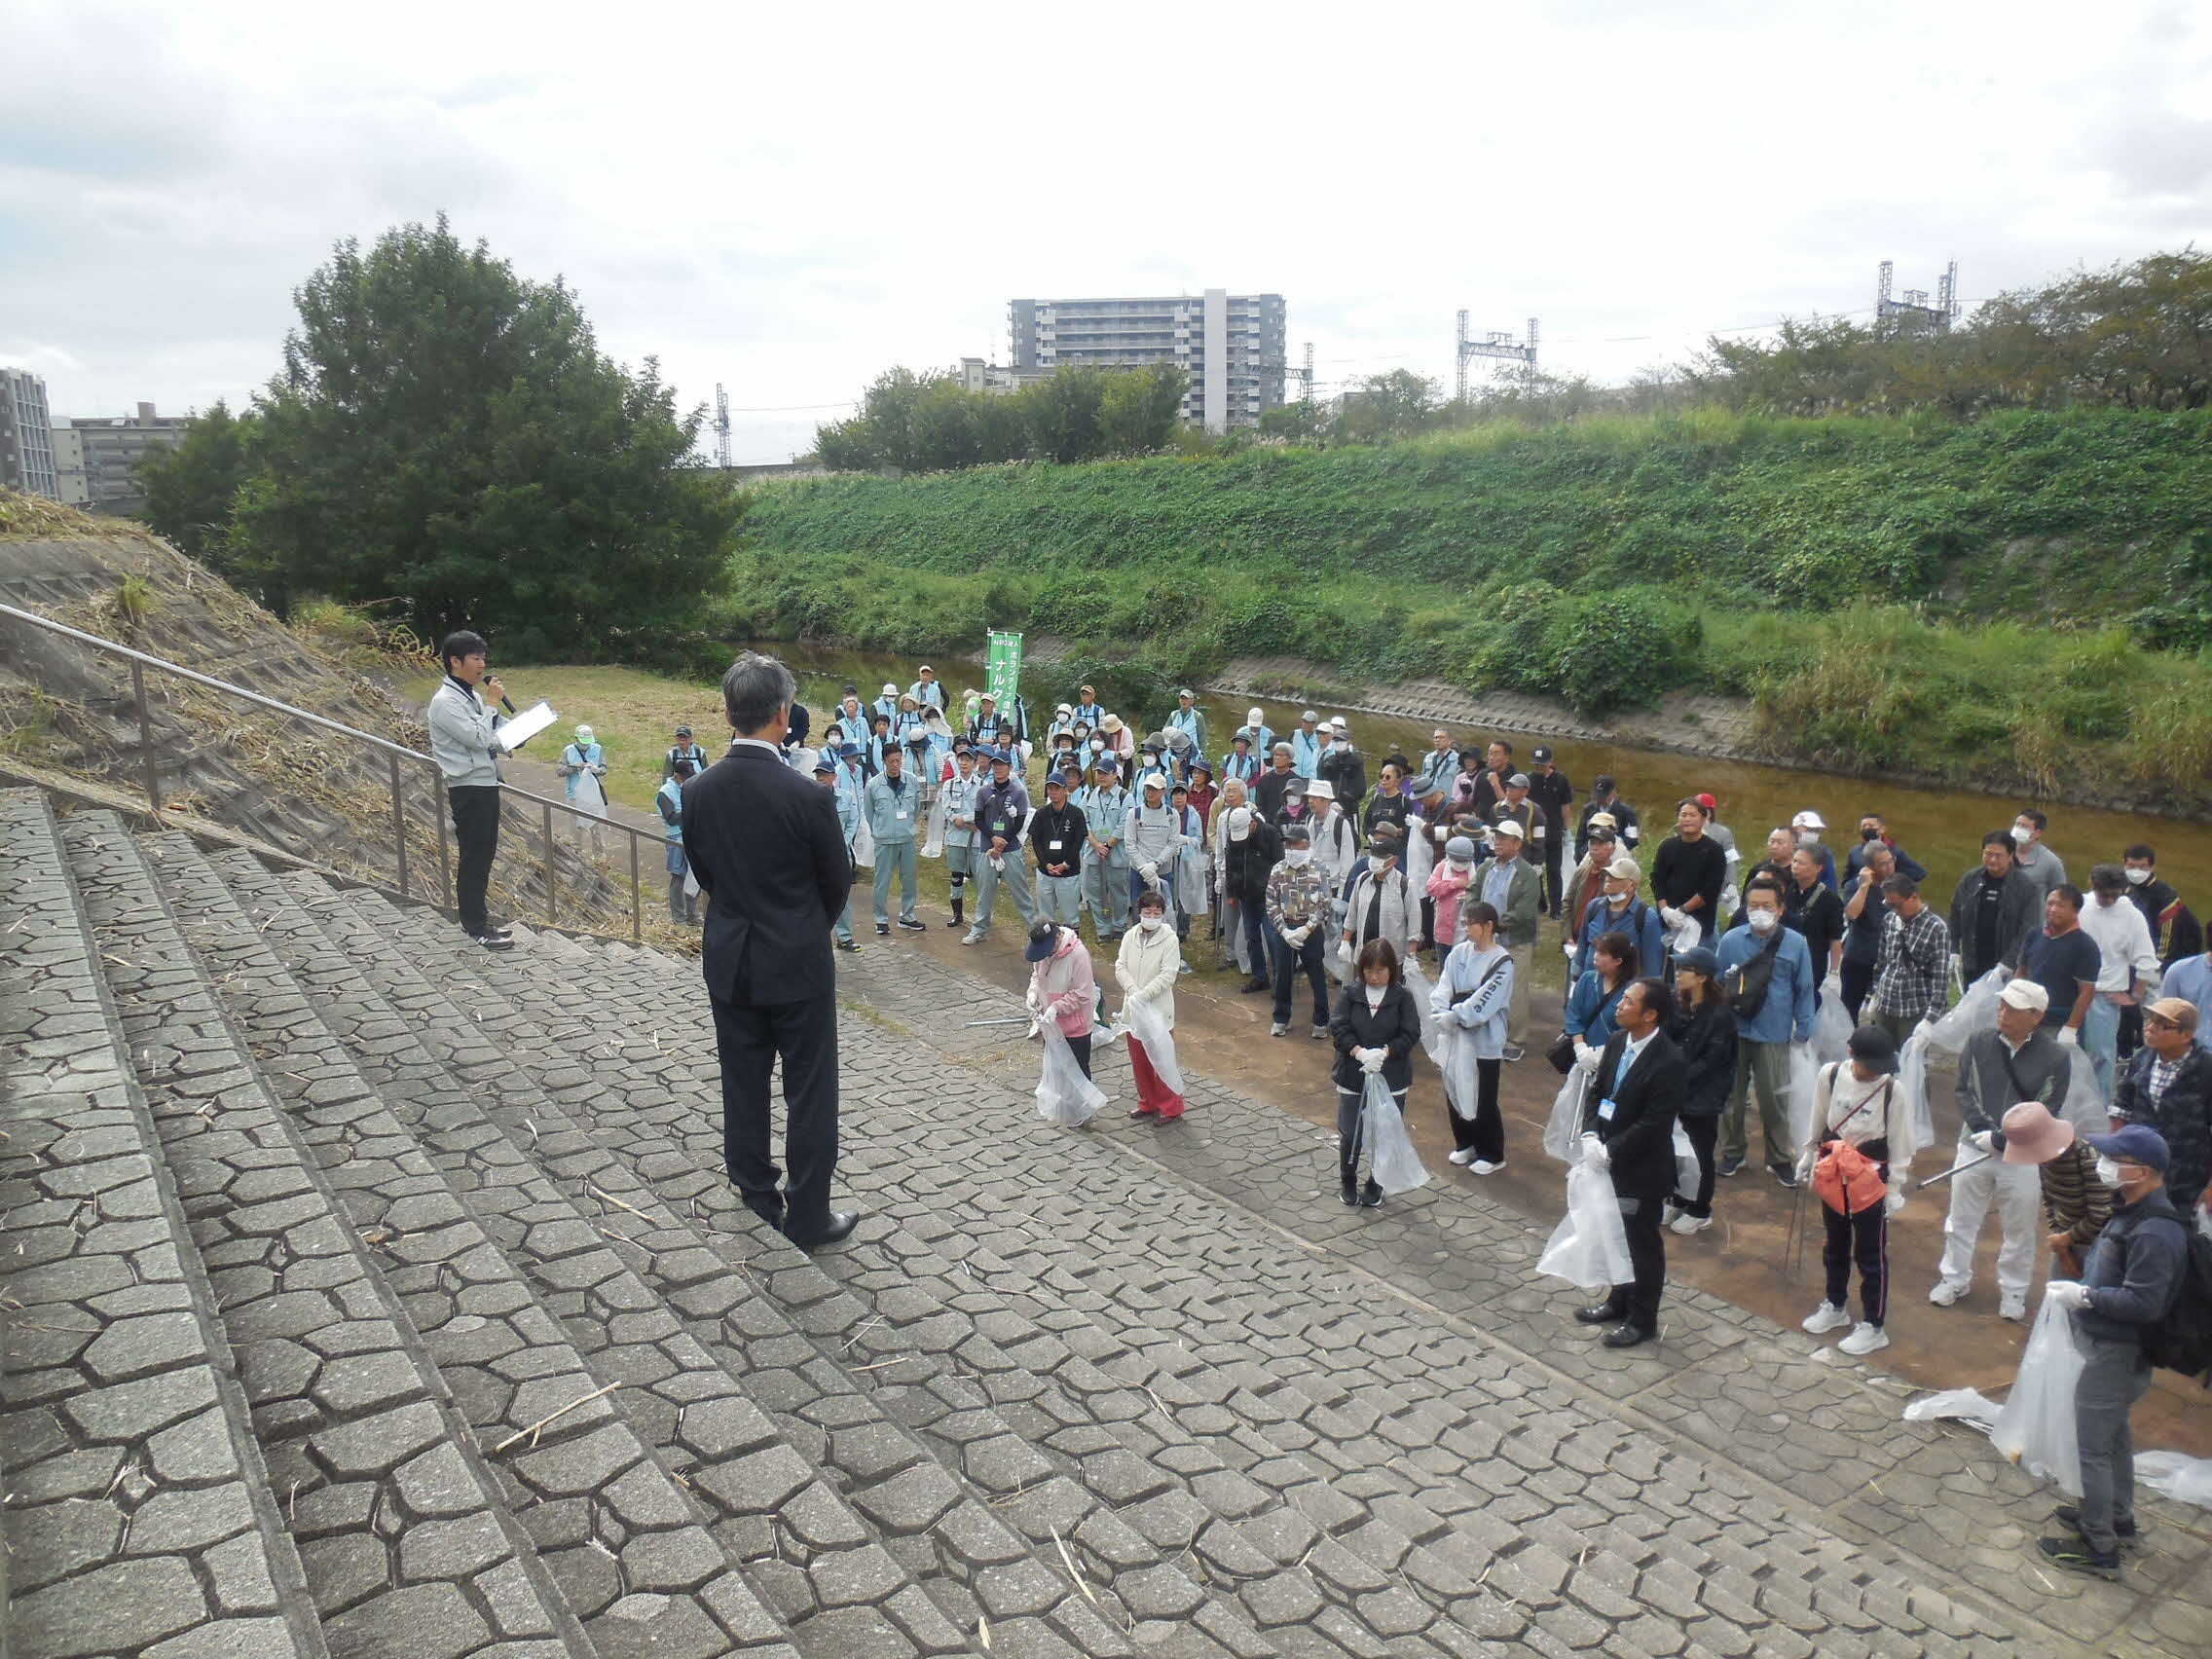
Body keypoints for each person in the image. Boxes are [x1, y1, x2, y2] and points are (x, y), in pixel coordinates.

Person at [682, 652, 855, 1248]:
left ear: (729, 712)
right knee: (809, 1088)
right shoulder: (807, 796)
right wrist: (804, 925)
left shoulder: (697, 790)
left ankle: (756, 1193)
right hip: (798, 959)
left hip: (731, 954)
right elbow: (837, 879)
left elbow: (705, 871)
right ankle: (808, 1214)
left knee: (742, 1079)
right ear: (784, 715)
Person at [2039, 1125, 2191, 1580]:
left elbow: (2145, 1303)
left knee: (2093, 1449)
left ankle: (2099, 1546)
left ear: (2141, 1171)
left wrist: (2085, 1298)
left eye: (2113, 1159)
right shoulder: (2131, 1209)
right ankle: (2118, 1519)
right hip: (2107, 1347)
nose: (2103, 1165)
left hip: (2115, 1352)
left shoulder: (2155, 1232)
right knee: (2114, 1437)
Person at [1931, 978, 2070, 1320]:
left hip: (2022, 1157)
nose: (2003, 1013)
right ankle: (1954, 1279)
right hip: (1973, 1146)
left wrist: (2007, 1140)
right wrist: (1984, 1131)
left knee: (2019, 1228)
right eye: (2002, 1005)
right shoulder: (1978, 1042)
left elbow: (2048, 1108)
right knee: (1961, 1220)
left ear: (2036, 1016)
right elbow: (1963, 1089)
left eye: (2013, 1009)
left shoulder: (2055, 1056)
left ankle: (2014, 1290)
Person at [1572, 977, 1685, 1348]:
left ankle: (1643, 1318)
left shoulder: (1669, 1061)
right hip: (1606, 1161)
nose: (1620, 1006)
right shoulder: (1619, 1041)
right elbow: (1599, 1091)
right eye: (1622, 999)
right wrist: (1590, 1133)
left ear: (1650, 1015)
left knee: (1641, 1245)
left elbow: (1654, 1123)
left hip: (1641, 1169)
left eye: (1629, 1002)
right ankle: (1618, 1301)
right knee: (1613, 1235)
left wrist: (1613, 1149)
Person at [1797, 1025, 1917, 1357]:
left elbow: (1901, 1143)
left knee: (1870, 1254)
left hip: (1869, 1178)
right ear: (1852, 1053)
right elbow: (1818, 1117)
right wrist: (1808, 1155)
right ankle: (1835, 1305)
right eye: (1871, 1065)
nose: (1877, 1072)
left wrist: (1894, 1188)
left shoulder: (1894, 1091)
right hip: (1834, 1172)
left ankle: (1873, 1325)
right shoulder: (1831, 1075)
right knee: (1834, 1244)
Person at [1715, 876, 1818, 1185]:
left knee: (1774, 1098)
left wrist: (1804, 1029)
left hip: (1773, 1032)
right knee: (1731, 1096)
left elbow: (1804, 989)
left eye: (1766, 906)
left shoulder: (1796, 944)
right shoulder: (1731, 941)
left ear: (1781, 909)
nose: (1759, 911)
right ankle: (1733, 1152)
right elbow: (1718, 984)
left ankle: (1779, 1158)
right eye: (1753, 905)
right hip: (1734, 1030)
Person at [425, 631, 513, 951]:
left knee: (484, 853)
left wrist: (517, 733)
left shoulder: (470, 696)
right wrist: (491, 705)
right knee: (474, 856)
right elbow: (477, 738)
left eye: (483, 658)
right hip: (468, 787)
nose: (482, 665)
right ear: (455, 662)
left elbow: (491, 733)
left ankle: (480, 920)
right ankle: (474, 926)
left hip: (486, 783)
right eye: (476, 658)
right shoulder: (444, 703)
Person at [1330, 939, 1423, 1208]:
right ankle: (1348, 1177)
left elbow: (1411, 1032)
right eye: (1369, 971)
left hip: (1390, 1075)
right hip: (1353, 1072)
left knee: (1384, 1131)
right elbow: (1339, 1026)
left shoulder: (1402, 996)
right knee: (1350, 1131)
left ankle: (1376, 1181)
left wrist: (1386, 1053)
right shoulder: (1351, 993)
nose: (1375, 976)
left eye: (1380, 971)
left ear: (1391, 970)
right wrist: (1358, 1052)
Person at [2112, 998, 2212, 1220]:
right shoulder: (2142, 1058)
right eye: (2150, 1020)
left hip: (2187, 1181)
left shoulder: (2206, 1069)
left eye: (2162, 1025)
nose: (2149, 1028)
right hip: (2140, 1174)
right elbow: (2122, 1108)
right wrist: (2117, 1158)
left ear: (2186, 1036)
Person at [1433, 901, 1515, 1172]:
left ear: (1488, 926)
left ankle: (1492, 1153)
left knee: (1483, 1096)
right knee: (1455, 1088)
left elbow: (1486, 1001)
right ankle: (1465, 1142)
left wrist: (1457, 1015)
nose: (1466, 928)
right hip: (1456, 1038)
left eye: (1471, 923)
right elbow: (1445, 984)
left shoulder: (1502, 961)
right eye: (1464, 923)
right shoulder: (1459, 953)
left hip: (1484, 1041)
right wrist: (1440, 1008)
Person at [2000, 1100, 2112, 1282]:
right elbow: (2050, 1201)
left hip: (2094, 1241)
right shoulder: (2044, 1159)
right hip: (2064, 1239)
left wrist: (2067, 1238)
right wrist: (2062, 1248)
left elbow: (2101, 1213)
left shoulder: (2087, 1157)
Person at [1665, 947, 1735, 1235]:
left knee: (1700, 1153)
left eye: (1685, 970)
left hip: (1703, 1098)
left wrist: (1678, 1079)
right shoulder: (1680, 1005)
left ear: (1703, 977)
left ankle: (1700, 1208)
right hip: (1678, 1093)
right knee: (1677, 1150)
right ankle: (1680, 1197)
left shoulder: (1720, 1016)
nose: (1678, 974)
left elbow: (1710, 1061)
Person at [2079, 866, 2160, 1097]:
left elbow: (2146, 960)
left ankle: (2098, 1109)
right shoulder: (2081, 906)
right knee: (2067, 1052)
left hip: (2105, 996)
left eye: (2115, 895)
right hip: (2073, 991)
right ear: (2092, 885)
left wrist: (2134, 996)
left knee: (2101, 1057)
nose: (2110, 900)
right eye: (2104, 895)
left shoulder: (2131, 916)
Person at [1117, 889, 1186, 1120]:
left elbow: (1168, 975)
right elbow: (1121, 966)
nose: (1152, 916)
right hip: (1134, 1008)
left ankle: (1170, 1106)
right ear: (1139, 913)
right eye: (1148, 912)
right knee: (1140, 1060)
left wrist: (1144, 995)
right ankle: (1147, 1101)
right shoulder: (1130, 936)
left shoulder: (1170, 939)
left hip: (1158, 1009)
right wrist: (1134, 992)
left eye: (1157, 913)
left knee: (1162, 1060)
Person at [1266, 820, 1335, 1040]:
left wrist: (1307, 929)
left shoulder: (1319, 868)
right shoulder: (1278, 869)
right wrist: (1284, 931)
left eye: (1294, 845)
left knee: (1316, 975)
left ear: (1305, 844)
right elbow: (1270, 901)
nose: (1290, 849)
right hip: (1284, 928)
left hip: (1310, 930)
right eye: (1288, 845)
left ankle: (1322, 1020)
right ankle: (1280, 1018)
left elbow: (1325, 902)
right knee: (1283, 975)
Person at [1478, 819, 1541, 1060]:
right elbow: (1474, 890)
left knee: (1515, 990)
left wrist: (1494, 924)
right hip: (1486, 939)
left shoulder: (1527, 873)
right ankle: (1488, 1030)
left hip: (1516, 940)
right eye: (1496, 837)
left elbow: (1525, 911)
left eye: (1504, 838)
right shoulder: (1486, 867)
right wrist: (1476, 915)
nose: (1498, 842)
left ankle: (1515, 1040)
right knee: (1485, 985)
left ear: (1517, 843)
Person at [1864, 874, 1951, 1049]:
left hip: (1913, 1009)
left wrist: (1930, 1018)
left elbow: (1941, 977)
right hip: (1885, 1003)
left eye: (1897, 904)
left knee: (1910, 1064)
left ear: (1913, 896)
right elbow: (1881, 962)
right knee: (1878, 1059)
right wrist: (1873, 994)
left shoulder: (1936, 928)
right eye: (1889, 904)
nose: (1894, 909)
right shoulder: (1889, 920)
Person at [967, 749, 1039, 944]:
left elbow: (1020, 821)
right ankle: (979, 929)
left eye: (1002, 765)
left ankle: (1036, 931)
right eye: (995, 764)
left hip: (1010, 847)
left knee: (1020, 890)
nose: (998, 768)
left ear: (1009, 767)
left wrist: (1002, 841)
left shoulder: (1018, 792)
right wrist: (993, 839)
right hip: (987, 847)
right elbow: (979, 819)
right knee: (984, 891)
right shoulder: (984, 791)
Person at [1950, 830, 2040, 985]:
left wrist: (2009, 962)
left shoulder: (2026, 887)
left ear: (2010, 855)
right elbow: (1954, 918)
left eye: (1998, 855)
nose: (1992, 859)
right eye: (1988, 854)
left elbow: (2028, 930)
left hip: (2006, 967)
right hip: (1973, 963)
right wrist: (1953, 950)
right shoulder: (1970, 880)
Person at [2020, 886, 2101, 1051]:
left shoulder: (2085, 946)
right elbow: (2021, 972)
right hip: (2027, 1018)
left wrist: (2071, 1028)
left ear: (2075, 911)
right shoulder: (2034, 935)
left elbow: (2086, 991)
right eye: (2050, 904)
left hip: (2057, 1023)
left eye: (2061, 905)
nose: (2053, 909)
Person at [1571, 857, 1664, 992]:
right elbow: (1582, 947)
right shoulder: (1593, 907)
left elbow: (1652, 965)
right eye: (1608, 875)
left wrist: (1647, 996)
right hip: (1589, 987)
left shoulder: (1646, 917)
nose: (1608, 880)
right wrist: (1575, 979)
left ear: (1631, 885)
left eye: (1616, 878)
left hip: (1622, 994)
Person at [860, 745, 923, 936]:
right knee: (882, 881)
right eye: (891, 762)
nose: (895, 765)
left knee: (909, 879)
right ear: (884, 762)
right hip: (885, 839)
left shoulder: (911, 780)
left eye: (898, 760)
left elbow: (917, 807)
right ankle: (880, 919)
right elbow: (869, 812)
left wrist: (907, 826)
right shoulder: (873, 785)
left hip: (906, 837)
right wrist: (880, 830)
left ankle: (908, 916)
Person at [1025, 919, 1097, 1080]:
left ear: (1057, 937)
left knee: (1077, 1076)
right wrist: (1033, 994)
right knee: (1055, 1074)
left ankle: (1080, 1106)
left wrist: (1056, 1008)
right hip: (1050, 1027)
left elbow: (1082, 993)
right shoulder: (1043, 952)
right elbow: (1037, 975)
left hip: (1076, 1029)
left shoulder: (1078, 954)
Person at [1223, 803, 1283, 995]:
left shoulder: (1270, 834)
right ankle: (1260, 976)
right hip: (1245, 895)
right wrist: (1231, 892)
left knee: (1273, 938)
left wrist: (1277, 893)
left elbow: (1280, 864)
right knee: (1251, 937)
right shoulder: (1233, 837)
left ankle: (1280, 980)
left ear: (1252, 824)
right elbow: (1231, 865)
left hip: (1268, 897)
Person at [1341, 822, 1418, 971]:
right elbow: (1352, 915)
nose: (1375, 860)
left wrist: (1411, 956)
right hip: (1363, 953)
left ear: (1394, 860)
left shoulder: (1405, 885)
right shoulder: (1362, 879)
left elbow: (1414, 927)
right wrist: (1345, 941)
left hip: (1392, 958)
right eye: (1374, 855)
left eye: (1381, 856)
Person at [1653, 798, 1729, 946]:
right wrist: (1665, 910)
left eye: (1692, 815)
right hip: (1668, 919)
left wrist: (1682, 911)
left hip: (1700, 922)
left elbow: (1711, 888)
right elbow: (1657, 879)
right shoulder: (1667, 847)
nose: (1687, 819)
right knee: (1667, 965)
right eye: (1683, 815)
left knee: (1696, 966)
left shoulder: (1714, 850)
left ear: (1703, 818)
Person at [1838, 842, 1897, 1022]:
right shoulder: (1853, 886)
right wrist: (1864, 886)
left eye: (1891, 861)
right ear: (1870, 867)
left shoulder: (1897, 885)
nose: (1889, 867)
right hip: (1859, 956)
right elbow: (1852, 914)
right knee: (1849, 1008)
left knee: (1883, 1011)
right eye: (1883, 864)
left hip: (1888, 959)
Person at [808, 756, 859, 951]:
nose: (821, 778)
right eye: (818, 774)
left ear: (833, 776)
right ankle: (817, 940)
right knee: (815, 897)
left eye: (824, 774)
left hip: (841, 854)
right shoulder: (809, 798)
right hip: (817, 856)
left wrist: (841, 844)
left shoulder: (846, 797)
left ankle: (844, 937)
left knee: (842, 895)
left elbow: (853, 822)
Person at [1567, 930, 1638, 1069]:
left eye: (1602, 953)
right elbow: (1573, 1013)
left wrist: (1600, 1055)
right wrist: (1580, 1049)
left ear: (1618, 961)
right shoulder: (1587, 979)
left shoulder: (1631, 992)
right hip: (1582, 1056)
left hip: (1613, 1063)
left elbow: (1630, 1031)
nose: (1595, 956)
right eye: (1596, 951)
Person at [1082, 757, 1133, 940]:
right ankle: (1102, 928)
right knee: (1095, 891)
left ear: (1114, 775)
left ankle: (1119, 925)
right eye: (1099, 773)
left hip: (1116, 853)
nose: (1101, 777)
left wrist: (1108, 845)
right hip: (1093, 852)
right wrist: (1096, 844)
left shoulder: (1125, 796)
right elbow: (1084, 821)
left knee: (1119, 891)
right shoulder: (1088, 796)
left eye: (1105, 773)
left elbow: (1124, 823)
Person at [1125, 775, 1188, 927]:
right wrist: (1144, 868)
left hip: (1163, 871)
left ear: (1163, 791)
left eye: (1154, 789)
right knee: (1139, 910)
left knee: (1162, 910)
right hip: (1139, 873)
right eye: (1148, 788)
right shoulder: (1134, 813)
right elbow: (1130, 844)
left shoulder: (1172, 815)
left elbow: (1173, 843)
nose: (1150, 792)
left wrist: (1155, 864)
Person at [1782, 844, 1847, 989]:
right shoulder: (1788, 890)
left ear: (1818, 868)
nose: (1795, 866)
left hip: (1812, 962)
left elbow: (1835, 938)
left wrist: (1834, 972)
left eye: (1801, 863)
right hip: (1784, 957)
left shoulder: (1830, 899)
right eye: (1794, 861)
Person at [1028, 771, 1088, 926]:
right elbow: (1036, 841)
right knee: (1046, 917)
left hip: (1068, 873)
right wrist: (1045, 864)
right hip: (1045, 872)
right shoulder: (1041, 813)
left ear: (1064, 790)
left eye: (1056, 788)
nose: (1053, 792)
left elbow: (1078, 841)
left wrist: (1065, 864)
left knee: (1070, 918)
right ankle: (1049, 947)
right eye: (1050, 789)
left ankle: (1071, 948)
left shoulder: (1076, 813)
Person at [1528, 746, 1573, 917]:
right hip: (1535, 834)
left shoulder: (1561, 780)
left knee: (1554, 871)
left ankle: (1556, 909)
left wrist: (1567, 830)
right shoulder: (1529, 779)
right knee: (1535, 870)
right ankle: (1541, 904)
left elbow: (1565, 807)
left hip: (1554, 832)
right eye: (1536, 764)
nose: (1538, 768)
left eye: (1542, 764)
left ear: (1551, 762)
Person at [657, 756, 701, 926]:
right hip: (676, 837)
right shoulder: (665, 792)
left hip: (691, 835)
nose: (687, 779)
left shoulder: (690, 788)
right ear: (676, 775)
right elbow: (671, 818)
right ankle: (679, 917)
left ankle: (693, 913)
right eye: (684, 776)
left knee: (694, 875)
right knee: (678, 876)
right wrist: (691, 810)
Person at [556, 722, 610, 853]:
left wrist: (596, 770)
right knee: (576, 830)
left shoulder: (597, 749)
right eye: (583, 742)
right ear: (576, 739)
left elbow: (604, 769)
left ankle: (599, 858)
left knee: (596, 829)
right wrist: (573, 767)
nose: (586, 745)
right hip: (574, 795)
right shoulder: (568, 751)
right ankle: (577, 855)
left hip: (593, 796)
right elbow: (559, 771)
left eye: (588, 742)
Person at [1426, 834, 1476, 961]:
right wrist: (1454, 883)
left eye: (1464, 862)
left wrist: (1469, 892)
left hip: (1466, 932)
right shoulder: (1442, 867)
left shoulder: (1475, 872)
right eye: (1458, 861)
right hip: (1444, 930)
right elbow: (1431, 888)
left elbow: (1480, 893)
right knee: (1444, 968)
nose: (1461, 865)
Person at [1843, 812, 1925, 884]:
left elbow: (1918, 873)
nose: (1867, 828)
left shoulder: (1894, 851)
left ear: (1882, 829)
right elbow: (1847, 877)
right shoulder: (1854, 852)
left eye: (1871, 825)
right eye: (1864, 826)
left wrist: (1892, 878)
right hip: (1861, 894)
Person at [2010, 809, 2068, 907]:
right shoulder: (2002, 854)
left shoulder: (2052, 862)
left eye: (2024, 826)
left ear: (2037, 833)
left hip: (2033, 920)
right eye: (2017, 824)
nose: (2018, 829)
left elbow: (2060, 897)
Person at [1576, 776, 1639, 859]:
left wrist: (1613, 849)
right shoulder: (1588, 810)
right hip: (1589, 856)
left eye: (1603, 795)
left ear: (1613, 793)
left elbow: (1632, 839)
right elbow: (1580, 837)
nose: (1600, 798)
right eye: (1598, 795)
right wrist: (1581, 854)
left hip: (1615, 857)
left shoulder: (1626, 812)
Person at [1315, 718, 1365, 815]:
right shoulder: (1328, 761)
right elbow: (1321, 781)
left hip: (1349, 808)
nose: (1338, 743)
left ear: (1348, 742)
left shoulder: (1355, 761)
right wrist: (1330, 801)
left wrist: (1346, 799)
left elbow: (1361, 788)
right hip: (1328, 806)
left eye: (1342, 741)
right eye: (1336, 741)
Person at [1788, 811, 1839, 894]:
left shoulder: (1824, 852)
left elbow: (1830, 884)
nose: (1813, 833)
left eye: (1817, 831)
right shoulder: (1784, 849)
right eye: (1809, 829)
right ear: (1795, 829)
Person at [1254, 742, 1301, 823]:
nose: (1276, 758)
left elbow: (1298, 806)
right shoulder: (1263, 780)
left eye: (1281, 755)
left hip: (1289, 823)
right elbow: (1259, 804)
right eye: (1275, 755)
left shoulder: (1296, 781)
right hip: (1267, 823)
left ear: (1289, 759)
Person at [1292, 711, 1329, 780]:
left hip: (1310, 776)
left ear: (1314, 724)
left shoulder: (1319, 736)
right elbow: (1288, 751)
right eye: (1304, 721)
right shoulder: (1295, 734)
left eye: (1309, 722)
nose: (1306, 724)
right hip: (1295, 774)